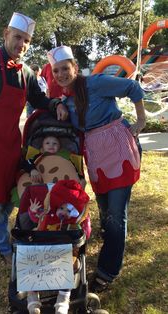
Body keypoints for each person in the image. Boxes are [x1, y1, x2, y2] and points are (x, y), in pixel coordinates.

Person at [0, 12, 68, 267]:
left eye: (27, 40)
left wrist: (55, 104)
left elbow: (38, 100)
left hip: (10, 142)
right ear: (6, 34)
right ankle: (3, 245)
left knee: (7, 193)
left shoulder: (26, 72)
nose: (22, 44)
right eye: (18, 37)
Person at [47, 45, 146, 292]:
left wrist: (141, 120)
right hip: (96, 156)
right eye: (56, 70)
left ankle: (107, 271)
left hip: (117, 149)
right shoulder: (66, 99)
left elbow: (133, 87)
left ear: (75, 68)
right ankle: (112, 245)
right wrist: (58, 104)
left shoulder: (96, 83)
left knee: (115, 216)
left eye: (65, 68)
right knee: (105, 211)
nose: (61, 74)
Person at [18, 179, 91, 314]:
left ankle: (63, 299)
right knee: (28, 259)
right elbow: (37, 218)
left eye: (68, 210)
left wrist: (85, 221)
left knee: (71, 265)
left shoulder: (74, 225)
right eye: (61, 208)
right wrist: (32, 211)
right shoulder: (48, 216)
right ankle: (33, 297)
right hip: (42, 251)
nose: (63, 212)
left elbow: (85, 232)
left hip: (65, 255)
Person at [21, 134, 86, 187]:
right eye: (47, 143)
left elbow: (72, 169)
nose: (51, 145)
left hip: (61, 183)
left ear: (59, 148)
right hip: (43, 183)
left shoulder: (64, 158)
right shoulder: (38, 157)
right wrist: (32, 170)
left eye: (55, 143)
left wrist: (81, 179)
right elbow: (27, 163)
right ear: (42, 149)